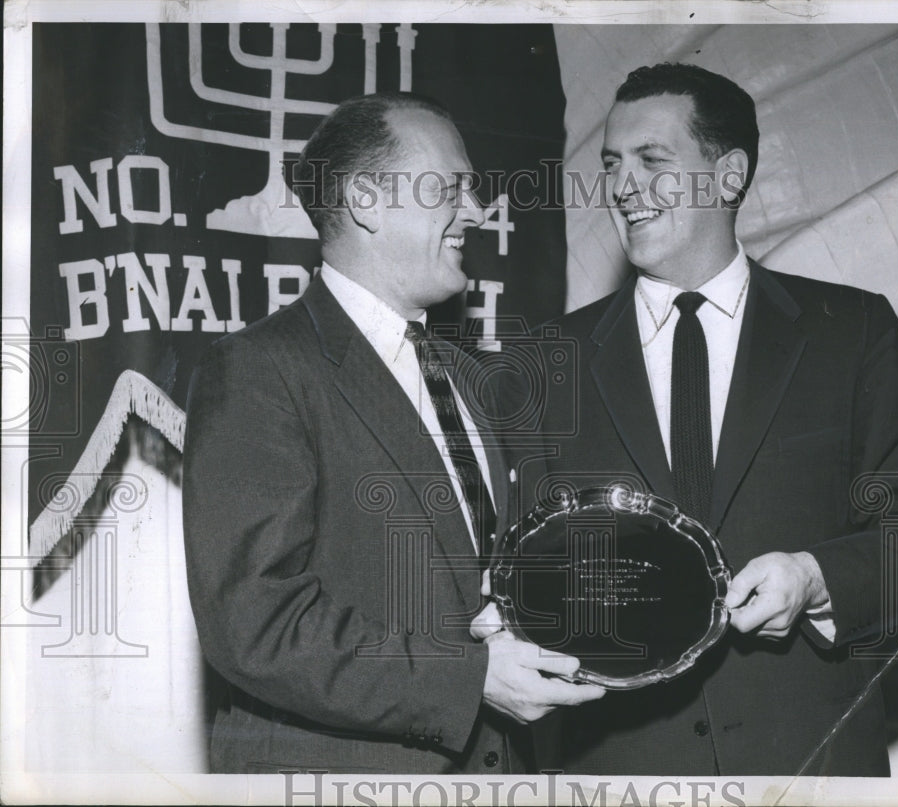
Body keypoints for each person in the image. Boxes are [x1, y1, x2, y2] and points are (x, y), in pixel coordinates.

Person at [508, 63, 898, 776]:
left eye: (652, 161)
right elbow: (518, 566)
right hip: (621, 771)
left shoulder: (851, 332)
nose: (623, 187)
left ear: (728, 175)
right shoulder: (546, 361)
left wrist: (815, 577)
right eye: (612, 164)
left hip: (812, 767)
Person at [182, 92, 604, 775]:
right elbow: (253, 623)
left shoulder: (473, 381)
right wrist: (470, 679)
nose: (477, 210)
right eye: (453, 188)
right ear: (367, 201)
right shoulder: (260, 368)